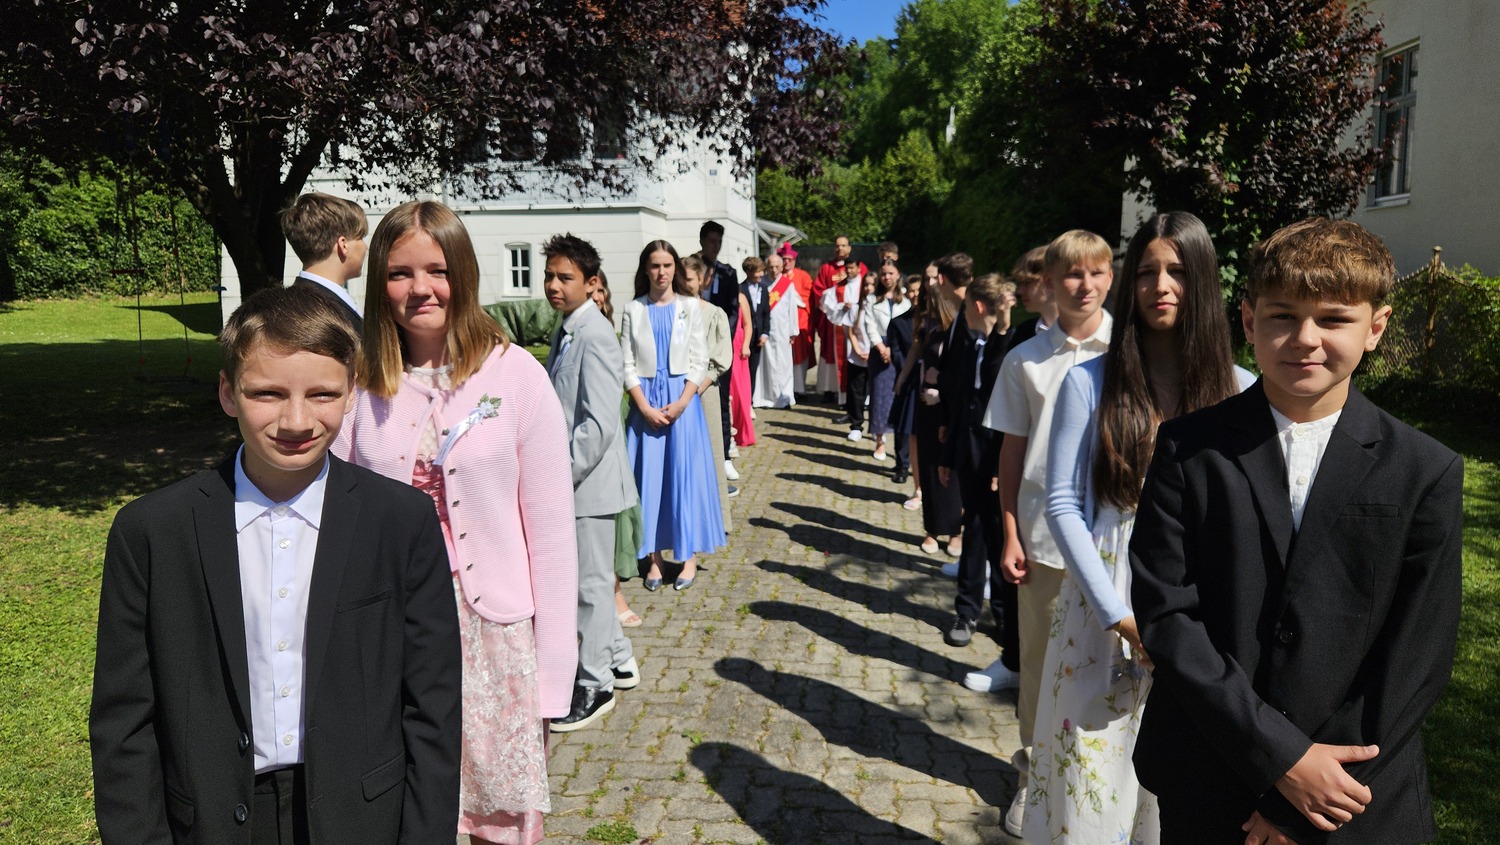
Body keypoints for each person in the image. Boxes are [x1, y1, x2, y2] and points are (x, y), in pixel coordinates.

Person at [1131, 218, 1463, 845]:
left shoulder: (1425, 469)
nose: (1305, 339)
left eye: (1334, 319)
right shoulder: (1188, 449)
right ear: (1250, 322)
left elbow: (1419, 649)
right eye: (1282, 316)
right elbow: (1168, 615)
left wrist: (1311, 789)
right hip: (1211, 773)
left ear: (1376, 327)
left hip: (1355, 794)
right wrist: (1282, 757)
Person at [90, 285, 461, 843]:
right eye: (266, 393)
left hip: (362, 817)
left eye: (322, 394)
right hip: (211, 819)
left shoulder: (402, 522)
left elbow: (433, 705)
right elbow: (123, 723)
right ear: (227, 392)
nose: (296, 420)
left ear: (351, 393)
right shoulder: (152, 532)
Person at [335, 200, 577, 845]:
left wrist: (556, 678)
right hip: (394, 637)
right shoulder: (360, 384)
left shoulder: (517, 377)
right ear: (378, 283)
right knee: (406, 812)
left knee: (498, 821)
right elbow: (333, 521)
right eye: (399, 273)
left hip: (496, 639)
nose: (420, 289)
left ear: (463, 274)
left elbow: (553, 536)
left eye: (436, 270)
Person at [1023, 212, 1252, 843]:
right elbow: (1063, 504)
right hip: (1103, 610)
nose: (1161, 284)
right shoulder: (1088, 382)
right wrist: (1116, 612)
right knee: (1087, 798)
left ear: (1203, 280)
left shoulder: (1241, 392)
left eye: (1178, 270)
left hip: (1203, 612)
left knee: (1175, 798)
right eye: (1147, 270)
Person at [982, 230, 1115, 837]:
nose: (1085, 286)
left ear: (1110, 278)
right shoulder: (1025, 361)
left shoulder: (1132, 353)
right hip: (1041, 540)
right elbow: (1012, 455)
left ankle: (1103, 780)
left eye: (1097, 273)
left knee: (1114, 667)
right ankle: (1035, 775)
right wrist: (1009, 531)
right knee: (1038, 665)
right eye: (1072, 275)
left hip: (1118, 537)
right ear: (1049, 283)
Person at [541, 234, 643, 734]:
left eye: (565, 278)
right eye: (550, 277)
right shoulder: (570, 329)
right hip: (583, 482)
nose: (553, 286)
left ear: (592, 283)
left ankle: (596, 684)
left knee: (590, 587)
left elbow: (599, 425)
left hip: (589, 485)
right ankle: (620, 659)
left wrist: (557, 475)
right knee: (595, 582)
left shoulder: (596, 335)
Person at [621, 241, 726, 592]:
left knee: (685, 480)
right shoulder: (633, 309)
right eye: (655, 266)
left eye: (667, 265)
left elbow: (699, 359)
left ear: (675, 270)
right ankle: (653, 559)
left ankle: (689, 557)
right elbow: (627, 365)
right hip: (646, 406)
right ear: (645, 270)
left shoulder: (690, 308)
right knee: (648, 483)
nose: (661, 272)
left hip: (683, 406)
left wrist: (683, 401)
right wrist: (644, 407)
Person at [936, 274, 1014, 652]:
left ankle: (1002, 613)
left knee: (999, 535)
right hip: (968, 454)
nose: (962, 310)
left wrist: (1001, 466)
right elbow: (960, 403)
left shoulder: (1010, 346)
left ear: (979, 306)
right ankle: (967, 610)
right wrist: (949, 456)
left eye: (967, 305)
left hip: (999, 462)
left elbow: (1012, 414)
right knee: (976, 530)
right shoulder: (971, 344)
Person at [905, 263, 964, 556]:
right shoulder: (926, 326)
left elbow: (959, 372)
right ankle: (931, 528)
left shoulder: (958, 327)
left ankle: (955, 530)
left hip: (948, 407)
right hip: (927, 407)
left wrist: (941, 388)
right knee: (929, 467)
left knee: (949, 469)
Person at [684, 254, 738, 523]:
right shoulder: (671, 312)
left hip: (705, 393)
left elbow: (720, 358)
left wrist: (695, 387)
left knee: (712, 453)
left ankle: (716, 517)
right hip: (678, 394)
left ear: (703, 280)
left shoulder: (714, 314)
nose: (684, 283)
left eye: (690, 279)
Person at [280, 192, 368, 332]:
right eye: (360, 237)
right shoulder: (321, 311)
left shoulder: (291, 304)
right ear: (343, 245)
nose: (365, 247)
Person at [696, 221, 739, 477]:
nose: (716, 246)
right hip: (693, 344)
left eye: (719, 242)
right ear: (702, 240)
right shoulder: (690, 266)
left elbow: (732, 312)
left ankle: (723, 455)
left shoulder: (728, 272)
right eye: (712, 241)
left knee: (722, 401)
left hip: (718, 347)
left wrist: (722, 339)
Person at [812, 234, 868, 405]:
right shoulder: (826, 269)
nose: (840, 249)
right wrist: (833, 299)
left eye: (843, 245)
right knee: (831, 354)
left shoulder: (860, 268)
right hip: (834, 322)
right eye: (837, 245)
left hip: (857, 323)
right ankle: (830, 389)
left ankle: (854, 396)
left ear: (850, 248)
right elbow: (818, 291)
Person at [864, 260, 910, 462]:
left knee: (899, 396)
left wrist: (894, 348)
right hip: (879, 350)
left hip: (901, 350)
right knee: (880, 396)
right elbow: (869, 325)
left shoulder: (907, 299)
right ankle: (879, 439)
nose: (887, 277)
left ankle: (901, 442)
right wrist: (881, 347)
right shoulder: (872, 299)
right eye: (883, 274)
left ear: (898, 274)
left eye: (890, 273)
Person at [821, 261, 867, 439]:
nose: (849, 271)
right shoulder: (839, 287)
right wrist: (842, 307)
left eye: (852, 268)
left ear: (858, 268)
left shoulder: (866, 283)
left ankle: (864, 407)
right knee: (852, 376)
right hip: (847, 333)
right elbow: (829, 306)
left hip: (866, 335)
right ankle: (851, 410)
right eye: (847, 269)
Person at [754, 251, 803, 410]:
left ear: (782, 267)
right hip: (766, 331)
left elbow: (792, 309)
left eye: (777, 267)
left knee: (783, 365)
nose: (774, 270)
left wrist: (793, 331)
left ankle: (784, 398)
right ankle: (765, 398)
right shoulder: (762, 283)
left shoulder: (787, 285)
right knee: (766, 365)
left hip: (782, 331)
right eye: (771, 267)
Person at [887, 275, 922, 491]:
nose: (914, 295)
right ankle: (902, 465)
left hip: (928, 381)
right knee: (903, 426)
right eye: (911, 291)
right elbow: (897, 351)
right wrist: (907, 371)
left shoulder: (936, 321)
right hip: (907, 378)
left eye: (918, 290)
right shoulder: (899, 322)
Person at [778, 243, 816, 394]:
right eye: (783, 259)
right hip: (780, 322)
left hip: (799, 321)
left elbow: (808, 297)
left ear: (794, 260)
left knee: (799, 355)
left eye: (789, 259)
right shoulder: (776, 277)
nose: (786, 262)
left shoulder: (803, 276)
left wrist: (792, 295)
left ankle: (799, 389)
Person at [732, 258, 761, 448]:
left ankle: (743, 432)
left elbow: (748, 324)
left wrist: (746, 345)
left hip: (739, 348)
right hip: (726, 346)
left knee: (741, 392)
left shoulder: (741, 298)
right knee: (730, 392)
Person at [1006, 246, 1054, 354]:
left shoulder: (1084, 331)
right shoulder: (1024, 333)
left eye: (1027, 282)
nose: (1019, 291)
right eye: (1020, 283)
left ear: (1050, 281)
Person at [741, 255, 772, 393]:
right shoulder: (740, 289)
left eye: (762, 271)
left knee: (753, 371)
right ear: (748, 272)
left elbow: (766, 313)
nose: (761, 274)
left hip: (758, 338)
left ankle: (750, 403)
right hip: (743, 338)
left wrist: (765, 333)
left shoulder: (764, 288)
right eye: (758, 271)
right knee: (743, 372)